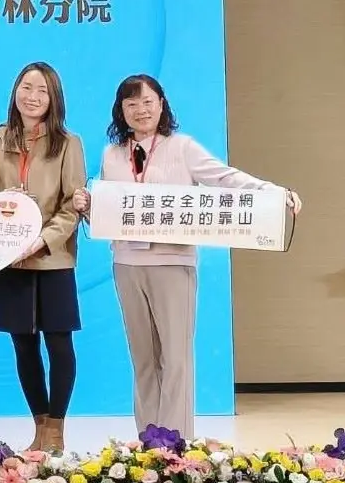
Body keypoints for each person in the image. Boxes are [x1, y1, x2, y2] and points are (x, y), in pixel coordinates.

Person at [73, 74, 302, 439]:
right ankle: (149, 441)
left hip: (173, 264)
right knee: (143, 359)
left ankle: (176, 444)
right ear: (121, 111)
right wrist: (87, 206)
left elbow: (225, 179)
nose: (140, 110)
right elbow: (109, 210)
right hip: (126, 265)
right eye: (131, 104)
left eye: (147, 101)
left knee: (175, 358)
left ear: (161, 104)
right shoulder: (111, 154)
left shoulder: (182, 148)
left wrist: (273, 192)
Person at [0, 62, 86, 453]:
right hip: (9, 261)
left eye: (42, 90)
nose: (33, 96)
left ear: (54, 98)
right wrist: (0, 207)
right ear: (15, 92)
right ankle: (39, 426)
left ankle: (56, 428)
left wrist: (41, 240)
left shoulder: (68, 143)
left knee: (59, 344)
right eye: (26, 87)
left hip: (52, 258)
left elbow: (73, 205)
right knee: (23, 346)